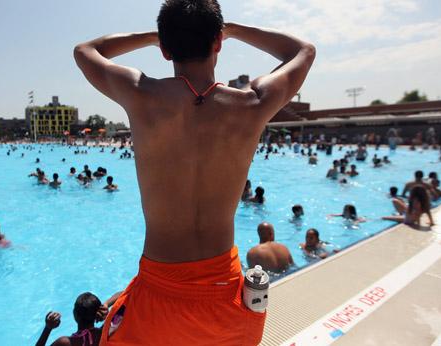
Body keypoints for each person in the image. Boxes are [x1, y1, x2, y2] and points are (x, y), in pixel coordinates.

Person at [73, 0, 315, 343]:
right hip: (224, 294)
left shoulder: (141, 94)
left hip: (160, 290)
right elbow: (303, 50)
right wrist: (233, 30)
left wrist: (154, 37)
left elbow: (85, 50)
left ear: (166, 50)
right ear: (217, 42)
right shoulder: (253, 103)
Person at [35, 292, 121, 346]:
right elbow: (126, 293)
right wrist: (106, 304)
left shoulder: (65, 343)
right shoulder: (106, 332)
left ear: (75, 314)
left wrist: (48, 328)